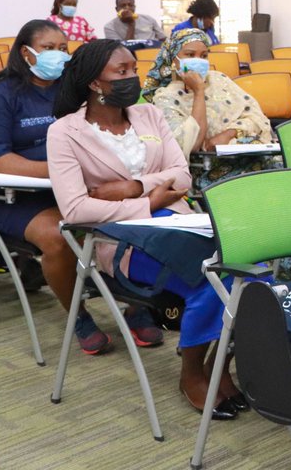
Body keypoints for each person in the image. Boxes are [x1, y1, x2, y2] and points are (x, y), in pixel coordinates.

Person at [47, 40, 244, 420]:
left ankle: (217, 364)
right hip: (120, 238)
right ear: (94, 83)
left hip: (181, 222)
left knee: (248, 269)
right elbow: (76, 208)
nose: (132, 78)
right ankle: (192, 372)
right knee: (211, 280)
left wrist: (132, 186)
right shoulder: (65, 132)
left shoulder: (149, 115)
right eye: (121, 72)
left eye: (133, 69)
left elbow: (182, 176)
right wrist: (148, 202)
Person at [0, 19, 119, 354]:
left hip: (75, 189)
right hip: (16, 198)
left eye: (64, 48)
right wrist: (61, 172)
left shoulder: (73, 92)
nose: (59, 55)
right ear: (26, 53)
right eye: (49, 48)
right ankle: (78, 315)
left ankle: (137, 308)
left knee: (128, 217)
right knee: (58, 236)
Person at [144, 29, 273, 189]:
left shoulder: (219, 80)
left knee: (275, 170)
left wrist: (230, 133)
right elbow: (192, 144)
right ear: (173, 59)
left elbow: (256, 117)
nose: (198, 60)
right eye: (190, 55)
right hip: (204, 169)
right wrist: (198, 91)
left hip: (243, 155)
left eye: (204, 55)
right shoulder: (165, 98)